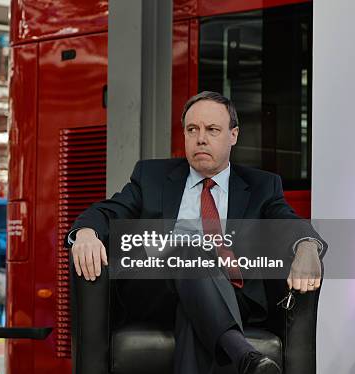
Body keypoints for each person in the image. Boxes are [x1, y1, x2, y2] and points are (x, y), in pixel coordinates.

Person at [67, 91, 326, 374]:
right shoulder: (151, 177)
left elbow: (288, 220)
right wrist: (86, 233)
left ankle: (238, 351)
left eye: (212, 130)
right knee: (191, 248)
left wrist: (307, 245)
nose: (201, 138)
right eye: (193, 130)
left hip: (233, 296)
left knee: (193, 313)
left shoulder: (262, 186)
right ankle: (241, 353)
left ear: (233, 135)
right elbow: (108, 210)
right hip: (157, 292)